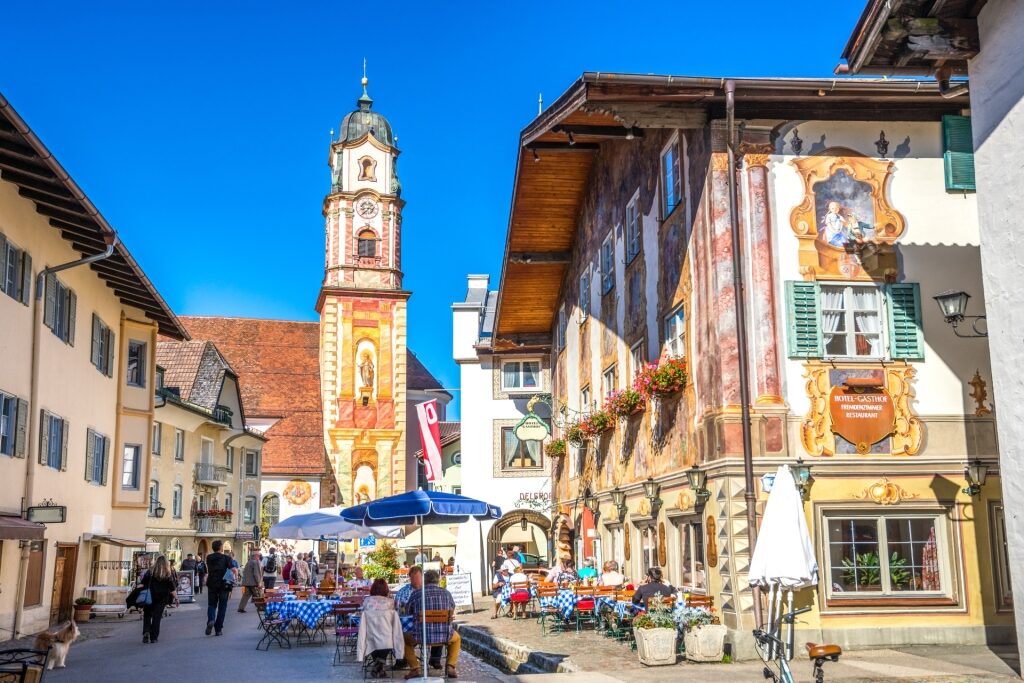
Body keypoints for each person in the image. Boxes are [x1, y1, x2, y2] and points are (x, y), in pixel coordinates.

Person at [402, 570, 460, 680]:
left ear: (425, 580)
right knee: (457, 639)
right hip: (444, 635)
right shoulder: (446, 593)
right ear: (438, 580)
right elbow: (452, 609)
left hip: (420, 636)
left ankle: (415, 667)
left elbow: (408, 611)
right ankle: (451, 666)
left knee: (403, 639)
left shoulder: (417, 593)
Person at [358, 579, 404, 679]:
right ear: (386, 589)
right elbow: (396, 626)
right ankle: (379, 665)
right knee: (386, 640)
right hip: (387, 641)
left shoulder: (366, 601)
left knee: (375, 643)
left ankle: (378, 665)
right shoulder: (391, 603)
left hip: (370, 640)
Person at [140, 555, 179, 644]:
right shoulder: (167, 574)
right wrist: (176, 598)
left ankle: (146, 631)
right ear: (166, 563)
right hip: (162, 598)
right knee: (157, 617)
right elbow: (172, 588)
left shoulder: (150, 572)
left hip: (149, 597)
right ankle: (154, 637)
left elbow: (142, 584)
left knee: (147, 615)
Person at [204, 540, 234, 636]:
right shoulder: (227, 558)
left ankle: (211, 619)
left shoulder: (209, 557)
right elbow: (233, 570)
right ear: (221, 548)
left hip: (212, 583)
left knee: (212, 604)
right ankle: (218, 629)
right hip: (223, 585)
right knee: (222, 607)